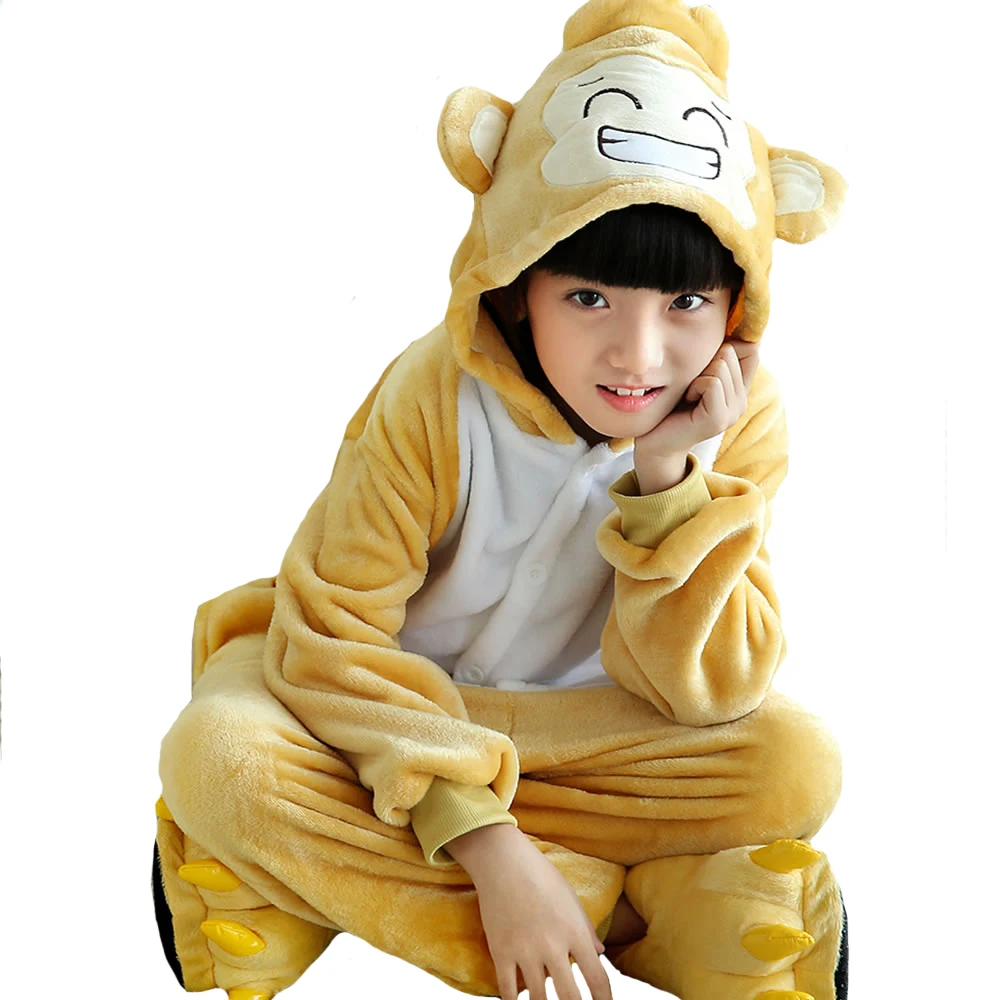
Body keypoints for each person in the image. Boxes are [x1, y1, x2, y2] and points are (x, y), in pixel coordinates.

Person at [153, 2, 850, 999]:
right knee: (218, 753)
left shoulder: (737, 414)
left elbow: (709, 692)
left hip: (590, 745)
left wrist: (666, 481)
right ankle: (627, 912)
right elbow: (333, 638)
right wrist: (487, 842)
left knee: (797, 762)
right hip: (381, 721)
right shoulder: (436, 395)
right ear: (518, 283)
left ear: (737, 304)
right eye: (589, 297)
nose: (639, 356)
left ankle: (313, 893)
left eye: (686, 303)